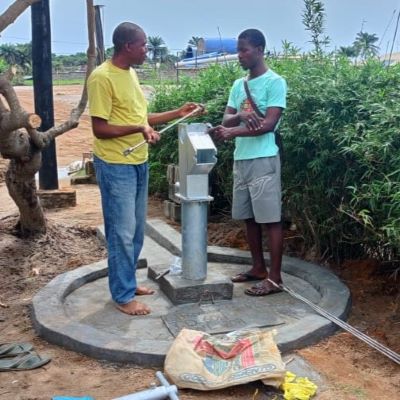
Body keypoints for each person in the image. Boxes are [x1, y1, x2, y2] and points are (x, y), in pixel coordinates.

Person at [87, 22, 203, 315]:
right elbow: (100, 128)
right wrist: (139, 128)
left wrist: (177, 113)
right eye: (143, 45)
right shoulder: (102, 78)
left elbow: (142, 117)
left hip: (137, 162)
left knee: (137, 230)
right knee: (121, 232)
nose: (146, 50)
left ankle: (127, 281)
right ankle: (123, 296)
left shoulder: (129, 74)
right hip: (115, 165)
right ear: (127, 46)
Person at [209, 29, 287, 296]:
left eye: (244, 50)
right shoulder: (237, 85)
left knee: (271, 220)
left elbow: (269, 124)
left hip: (264, 158)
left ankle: (275, 279)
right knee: (249, 219)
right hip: (241, 159)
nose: (239, 55)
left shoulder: (275, 82)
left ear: (260, 50)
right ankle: (257, 268)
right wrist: (240, 115)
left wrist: (233, 130)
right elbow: (225, 119)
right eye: (238, 50)